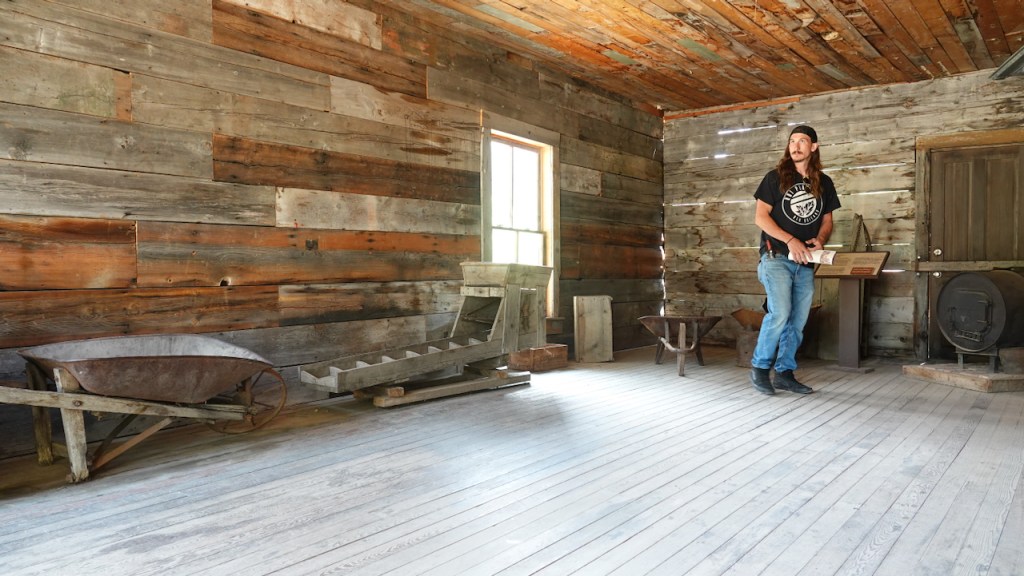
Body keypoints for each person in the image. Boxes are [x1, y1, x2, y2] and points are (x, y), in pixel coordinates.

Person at [750, 125, 840, 395]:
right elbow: (761, 217)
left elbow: (827, 220)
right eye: (792, 141)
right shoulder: (774, 178)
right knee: (780, 313)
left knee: (798, 321)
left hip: (805, 262)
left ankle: (784, 373)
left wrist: (820, 239)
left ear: (814, 147)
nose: (796, 146)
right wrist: (791, 240)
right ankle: (760, 368)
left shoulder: (824, 183)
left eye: (802, 141)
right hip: (776, 257)